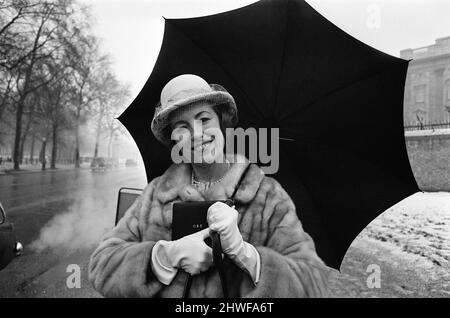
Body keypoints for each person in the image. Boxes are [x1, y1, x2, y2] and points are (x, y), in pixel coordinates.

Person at [88, 74, 329, 297]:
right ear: (173, 138)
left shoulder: (267, 196)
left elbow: (314, 282)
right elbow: (101, 265)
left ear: (221, 123)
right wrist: (161, 257)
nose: (196, 133)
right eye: (182, 126)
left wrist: (246, 256)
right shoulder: (155, 193)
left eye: (204, 119)